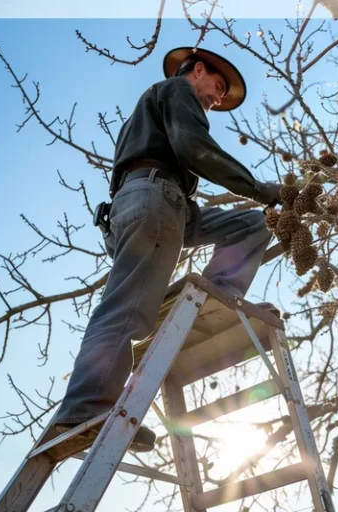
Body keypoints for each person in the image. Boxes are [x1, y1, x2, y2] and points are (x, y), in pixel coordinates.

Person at [53, 47, 283, 452]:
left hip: (154, 204)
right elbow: (195, 147)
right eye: (216, 88)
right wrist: (256, 187)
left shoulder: (151, 108)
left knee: (252, 225)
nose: (215, 99)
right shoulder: (177, 90)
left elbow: (179, 154)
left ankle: (219, 295)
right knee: (126, 309)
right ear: (197, 71)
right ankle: (87, 406)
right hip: (155, 201)